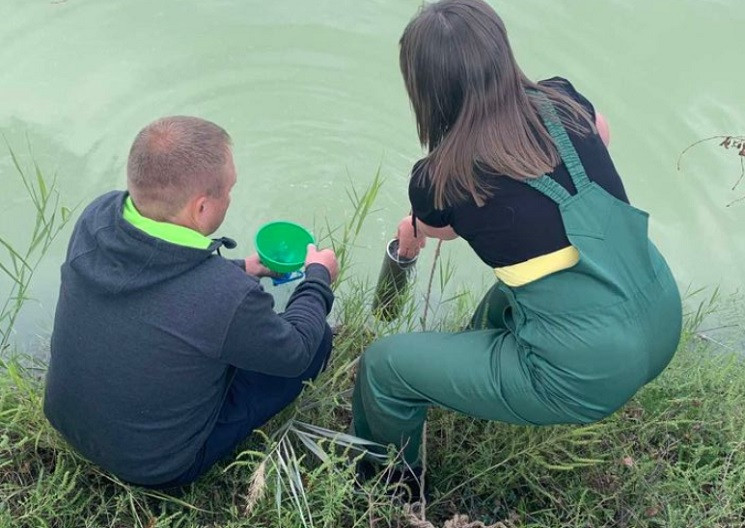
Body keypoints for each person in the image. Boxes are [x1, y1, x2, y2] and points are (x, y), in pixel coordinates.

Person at [352, 0, 682, 486]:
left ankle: (388, 484)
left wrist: (410, 234)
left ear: (427, 89)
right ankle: (463, 373)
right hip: (660, 314)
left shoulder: (442, 178)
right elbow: (602, 133)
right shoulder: (563, 100)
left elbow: (437, 228)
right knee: (511, 291)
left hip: (588, 374)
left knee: (383, 367)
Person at [44, 116, 339, 489]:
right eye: (229, 189)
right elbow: (294, 349)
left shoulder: (96, 217)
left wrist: (241, 267)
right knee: (316, 343)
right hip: (155, 467)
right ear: (201, 209)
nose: (231, 196)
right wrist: (318, 279)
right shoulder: (227, 296)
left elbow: (157, 275)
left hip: (65, 419)